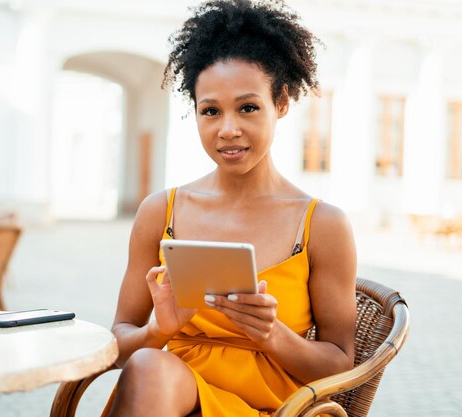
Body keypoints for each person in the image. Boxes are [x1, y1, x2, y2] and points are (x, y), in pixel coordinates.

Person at [105, 1, 357, 416]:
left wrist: (271, 333)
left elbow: (341, 363)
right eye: (210, 111)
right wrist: (158, 329)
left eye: (248, 107)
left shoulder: (322, 224)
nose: (227, 130)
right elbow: (118, 349)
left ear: (281, 104)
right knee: (149, 364)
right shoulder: (160, 212)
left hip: (275, 408)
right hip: (169, 395)